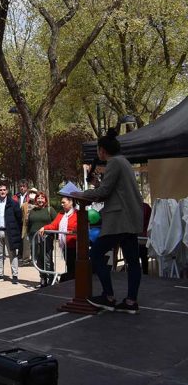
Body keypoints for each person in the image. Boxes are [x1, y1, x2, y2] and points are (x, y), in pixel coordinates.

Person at [82, 129, 144, 313]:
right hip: (130, 218)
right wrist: (97, 185)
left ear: (102, 150)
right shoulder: (123, 162)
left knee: (96, 254)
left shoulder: (114, 163)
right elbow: (113, 191)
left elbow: (104, 193)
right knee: (133, 261)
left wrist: (81, 194)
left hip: (119, 219)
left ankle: (108, 296)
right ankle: (131, 301)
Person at [0, 182, 22, 284]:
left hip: (10, 232)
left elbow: (19, 218)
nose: (2, 192)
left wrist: (16, 232)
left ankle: (15, 275)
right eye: (0, 190)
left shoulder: (13, 203)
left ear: (7, 191)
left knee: (12, 254)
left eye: (4, 190)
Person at [40, 196, 77, 283]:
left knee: (75, 266)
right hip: (66, 246)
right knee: (70, 266)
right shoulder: (61, 215)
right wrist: (44, 228)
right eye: (61, 202)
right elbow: (54, 225)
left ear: (71, 202)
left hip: (76, 246)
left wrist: (73, 231)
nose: (62, 204)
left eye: (64, 202)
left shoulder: (77, 214)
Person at [25, 192, 56, 287]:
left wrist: (46, 229)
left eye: (42, 198)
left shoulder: (50, 210)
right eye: (38, 198)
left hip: (46, 239)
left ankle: (51, 279)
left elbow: (55, 223)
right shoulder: (32, 211)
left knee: (47, 259)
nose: (40, 200)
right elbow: (28, 224)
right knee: (38, 259)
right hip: (34, 239)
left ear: (45, 200)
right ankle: (43, 279)